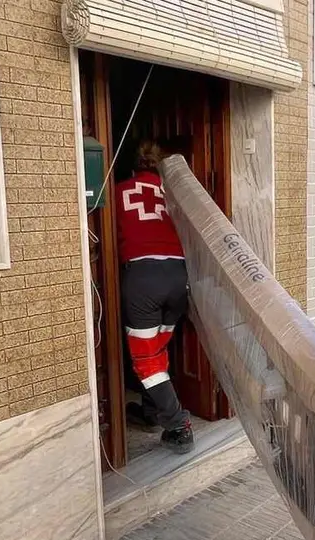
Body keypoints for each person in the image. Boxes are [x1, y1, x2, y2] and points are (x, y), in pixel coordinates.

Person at [115, 139, 193, 454]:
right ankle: (152, 411)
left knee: (146, 360)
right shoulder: (174, 195)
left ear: (134, 168)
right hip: (179, 278)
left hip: (143, 279)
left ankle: (178, 426)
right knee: (158, 348)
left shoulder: (119, 190)